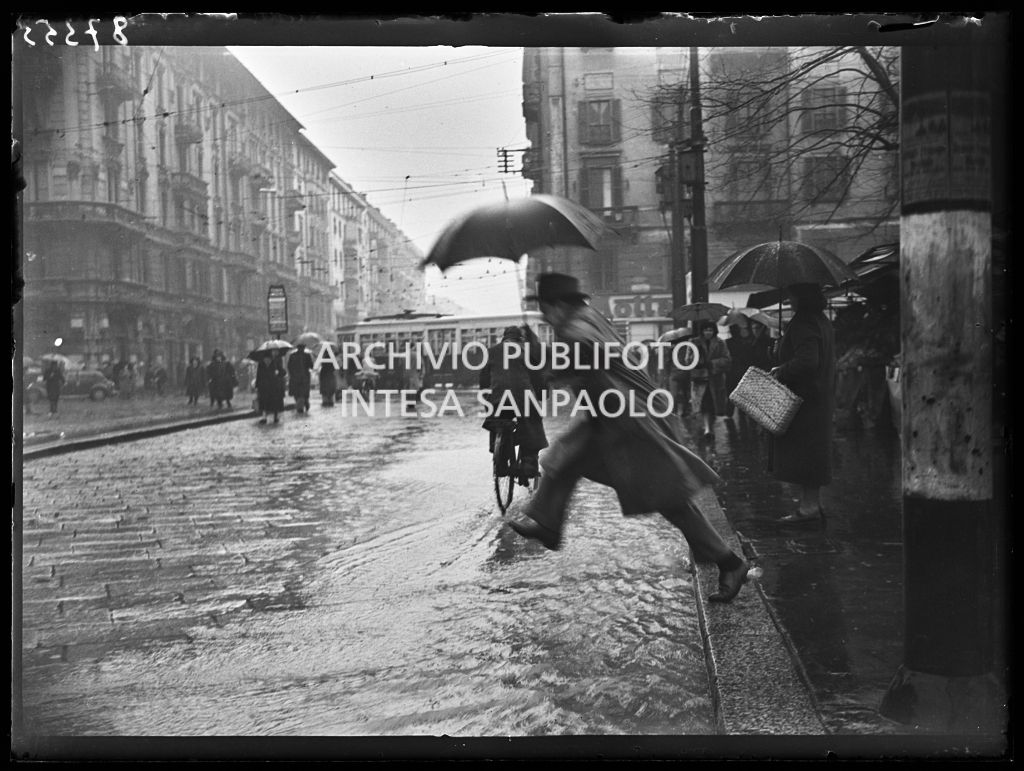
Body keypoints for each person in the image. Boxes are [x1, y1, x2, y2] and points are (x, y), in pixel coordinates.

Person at [506, 273, 750, 603]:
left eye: (546, 310)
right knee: (563, 459)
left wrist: (539, 356)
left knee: (666, 497)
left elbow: (577, 359)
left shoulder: (575, 329)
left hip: (629, 422)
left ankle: (729, 562)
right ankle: (547, 522)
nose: (546, 318)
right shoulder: (587, 318)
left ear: (559, 305)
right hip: (614, 418)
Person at [769, 282, 837, 525]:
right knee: (814, 452)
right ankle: (812, 504)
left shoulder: (803, 322)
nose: (789, 300)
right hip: (819, 397)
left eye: (792, 296)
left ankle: (808, 508)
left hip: (805, 399)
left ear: (802, 298)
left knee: (805, 453)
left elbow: (808, 361)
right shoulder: (821, 321)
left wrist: (782, 369)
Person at [479, 325, 549, 479]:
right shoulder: (526, 351)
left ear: (504, 337)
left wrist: (487, 403)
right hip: (523, 399)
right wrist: (543, 395)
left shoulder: (491, 352)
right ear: (520, 339)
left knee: (497, 422)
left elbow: (484, 381)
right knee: (532, 422)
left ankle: (500, 461)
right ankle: (529, 464)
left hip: (498, 399)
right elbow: (538, 377)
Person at [688, 320, 732, 439]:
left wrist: (712, 363)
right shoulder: (693, 342)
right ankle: (708, 429)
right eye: (706, 330)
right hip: (700, 378)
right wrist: (696, 356)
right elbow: (687, 361)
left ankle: (709, 428)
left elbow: (727, 360)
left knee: (713, 405)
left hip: (715, 379)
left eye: (710, 330)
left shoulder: (720, 343)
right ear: (702, 331)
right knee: (704, 404)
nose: (708, 332)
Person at [724, 320, 754, 420]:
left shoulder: (728, 342)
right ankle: (742, 413)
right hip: (742, 371)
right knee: (742, 394)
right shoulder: (745, 342)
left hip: (731, 371)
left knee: (731, 393)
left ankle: (729, 413)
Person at [255, 350, 287, 424]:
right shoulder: (275, 362)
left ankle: (264, 417)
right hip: (273, 386)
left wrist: (257, 386)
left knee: (264, 402)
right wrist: (278, 373)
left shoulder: (261, 363)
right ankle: (275, 417)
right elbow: (283, 372)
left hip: (264, 386)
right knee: (274, 402)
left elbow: (258, 375)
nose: (267, 360)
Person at [287, 343, 314, 413]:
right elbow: (311, 366)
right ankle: (302, 405)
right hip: (302, 378)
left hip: (297, 378)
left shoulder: (293, 355)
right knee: (300, 393)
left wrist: (292, 374)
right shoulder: (306, 355)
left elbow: (289, 366)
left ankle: (301, 405)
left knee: (299, 393)